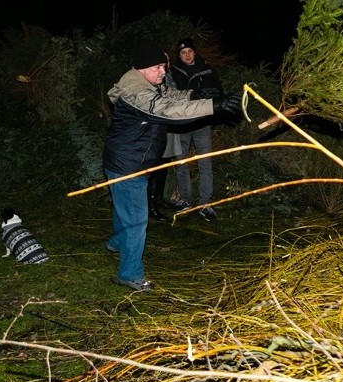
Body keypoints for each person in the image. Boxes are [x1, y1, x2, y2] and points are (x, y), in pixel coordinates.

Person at [103, 40, 241, 292]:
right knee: (136, 220)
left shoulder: (145, 81)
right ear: (144, 67)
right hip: (128, 164)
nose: (164, 72)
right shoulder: (136, 92)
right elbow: (166, 109)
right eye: (159, 67)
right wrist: (212, 106)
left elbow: (169, 95)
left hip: (126, 160)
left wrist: (193, 94)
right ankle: (129, 274)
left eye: (164, 67)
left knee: (123, 207)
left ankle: (115, 242)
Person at [168, 38, 225, 221]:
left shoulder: (207, 69)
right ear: (179, 55)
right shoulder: (172, 72)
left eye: (190, 51)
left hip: (202, 123)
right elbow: (170, 98)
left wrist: (215, 97)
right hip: (181, 124)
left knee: (205, 163)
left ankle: (205, 203)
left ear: (195, 52)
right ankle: (185, 200)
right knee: (181, 163)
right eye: (183, 53)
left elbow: (219, 93)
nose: (187, 55)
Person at [147, 51, 181, 222]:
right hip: (159, 125)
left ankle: (158, 199)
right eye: (162, 61)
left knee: (165, 163)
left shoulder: (169, 75)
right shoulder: (152, 78)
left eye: (167, 60)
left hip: (170, 124)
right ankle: (151, 207)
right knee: (156, 164)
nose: (165, 64)